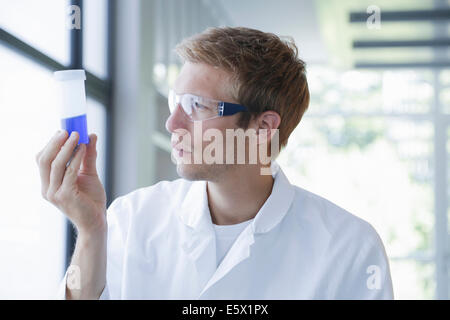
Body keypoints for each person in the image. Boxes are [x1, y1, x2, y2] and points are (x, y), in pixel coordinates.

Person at [36, 27, 393, 299]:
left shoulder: (349, 248)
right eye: (177, 101)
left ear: (262, 127)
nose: (172, 123)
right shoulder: (130, 220)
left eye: (197, 106)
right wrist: (91, 231)